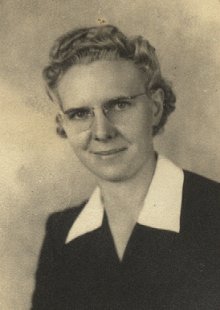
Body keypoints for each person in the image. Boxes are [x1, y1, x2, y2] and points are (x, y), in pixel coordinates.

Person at [31, 25, 220, 310]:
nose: (102, 131)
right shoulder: (61, 234)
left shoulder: (213, 211)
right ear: (63, 125)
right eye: (80, 114)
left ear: (154, 108)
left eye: (119, 105)